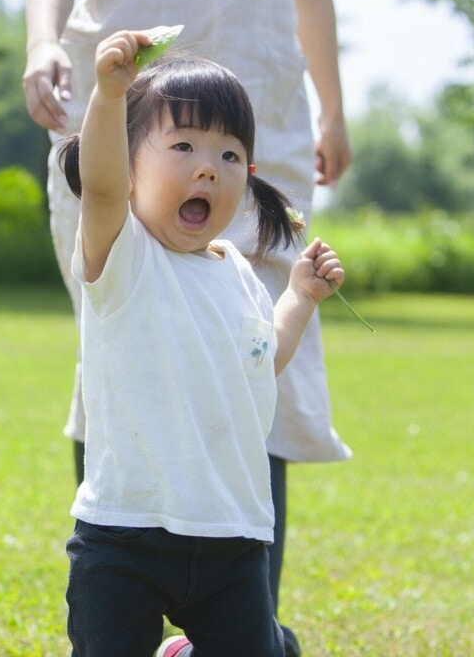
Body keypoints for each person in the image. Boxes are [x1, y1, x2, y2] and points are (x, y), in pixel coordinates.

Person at [22, 0, 353, 648]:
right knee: (128, 341)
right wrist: (53, 52)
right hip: (120, 109)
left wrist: (333, 109)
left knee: (234, 355)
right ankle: (128, 576)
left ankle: (240, 621)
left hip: (256, 92)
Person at [61, 32, 345, 657]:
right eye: (183, 145)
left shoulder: (236, 271)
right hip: (125, 533)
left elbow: (259, 363)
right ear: (132, 163)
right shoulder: (124, 256)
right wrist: (109, 98)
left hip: (229, 534)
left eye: (229, 153)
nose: (208, 167)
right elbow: (102, 188)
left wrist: (298, 297)